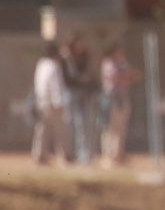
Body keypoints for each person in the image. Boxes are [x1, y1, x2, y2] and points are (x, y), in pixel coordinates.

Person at [29, 42, 71, 165]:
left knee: (42, 130)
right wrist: (58, 101)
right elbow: (55, 85)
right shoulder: (53, 66)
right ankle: (63, 156)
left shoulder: (41, 65)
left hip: (41, 101)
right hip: (53, 102)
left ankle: (39, 155)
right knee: (60, 130)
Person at [62, 35, 97, 166]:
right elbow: (71, 76)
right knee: (72, 123)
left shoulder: (85, 56)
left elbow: (89, 73)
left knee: (83, 124)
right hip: (72, 93)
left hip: (84, 93)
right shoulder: (66, 58)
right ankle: (69, 154)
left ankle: (84, 154)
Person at [99, 44, 133, 165]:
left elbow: (129, 75)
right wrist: (124, 77)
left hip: (122, 98)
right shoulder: (108, 63)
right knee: (110, 128)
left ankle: (118, 154)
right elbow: (114, 78)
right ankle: (108, 154)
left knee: (121, 128)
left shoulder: (122, 63)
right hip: (111, 98)